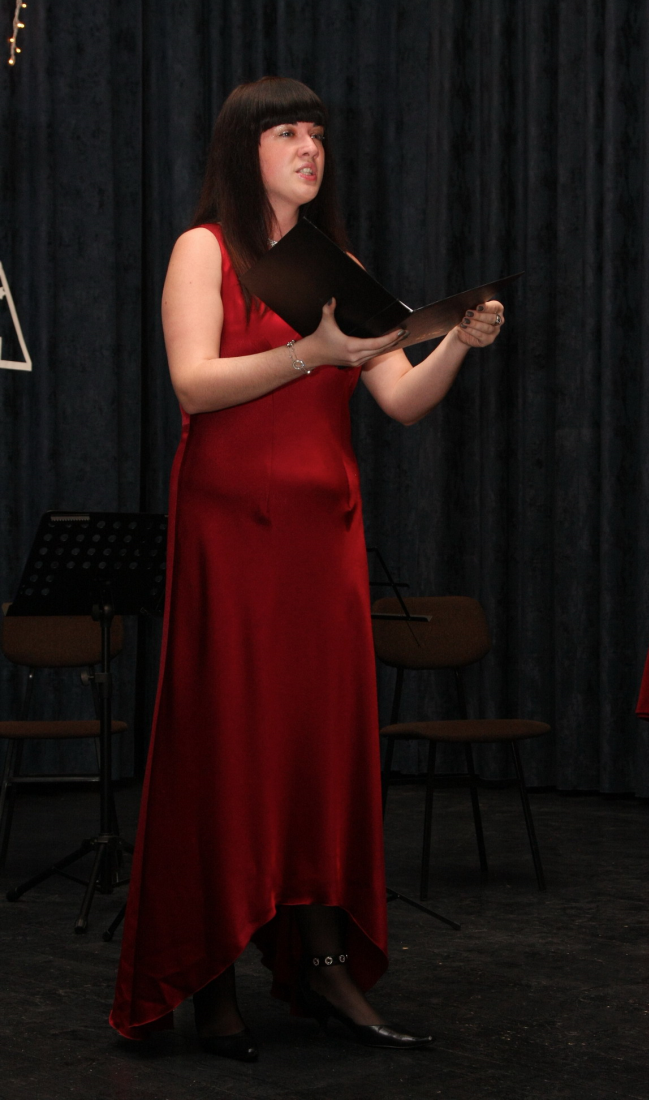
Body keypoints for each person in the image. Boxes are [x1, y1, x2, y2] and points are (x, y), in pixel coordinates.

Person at [110, 76, 504, 1060]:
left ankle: (323, 963)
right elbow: (194, 386)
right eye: (286, 130)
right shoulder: (204, 250)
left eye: (317, 131)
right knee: (228, 742)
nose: (309, 146)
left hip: (323, 540)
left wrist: (455, 341)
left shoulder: (340, 264)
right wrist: (310, 353)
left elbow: (400, 401)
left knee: (318, 748)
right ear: (242, 148)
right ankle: (208, 975)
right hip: (232, 534)